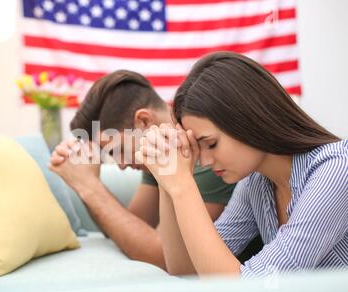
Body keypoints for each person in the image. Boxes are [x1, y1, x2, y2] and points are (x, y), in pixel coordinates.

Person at [137, 51, 347, 277]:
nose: (205, 161)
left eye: (211, 143)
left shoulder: (335, 168)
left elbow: (247, 290)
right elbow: (186, 271)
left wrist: (183, 186)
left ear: (249, 120)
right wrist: (167, 179)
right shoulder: (255, 183)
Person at [48, 70, 261, 272]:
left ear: (143, 121)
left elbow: (168, 258)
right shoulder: (159, 153)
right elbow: (129, 227)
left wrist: (89, 186)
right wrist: (84, 176)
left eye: (117, 150)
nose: (121, 165)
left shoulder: (207, 156)